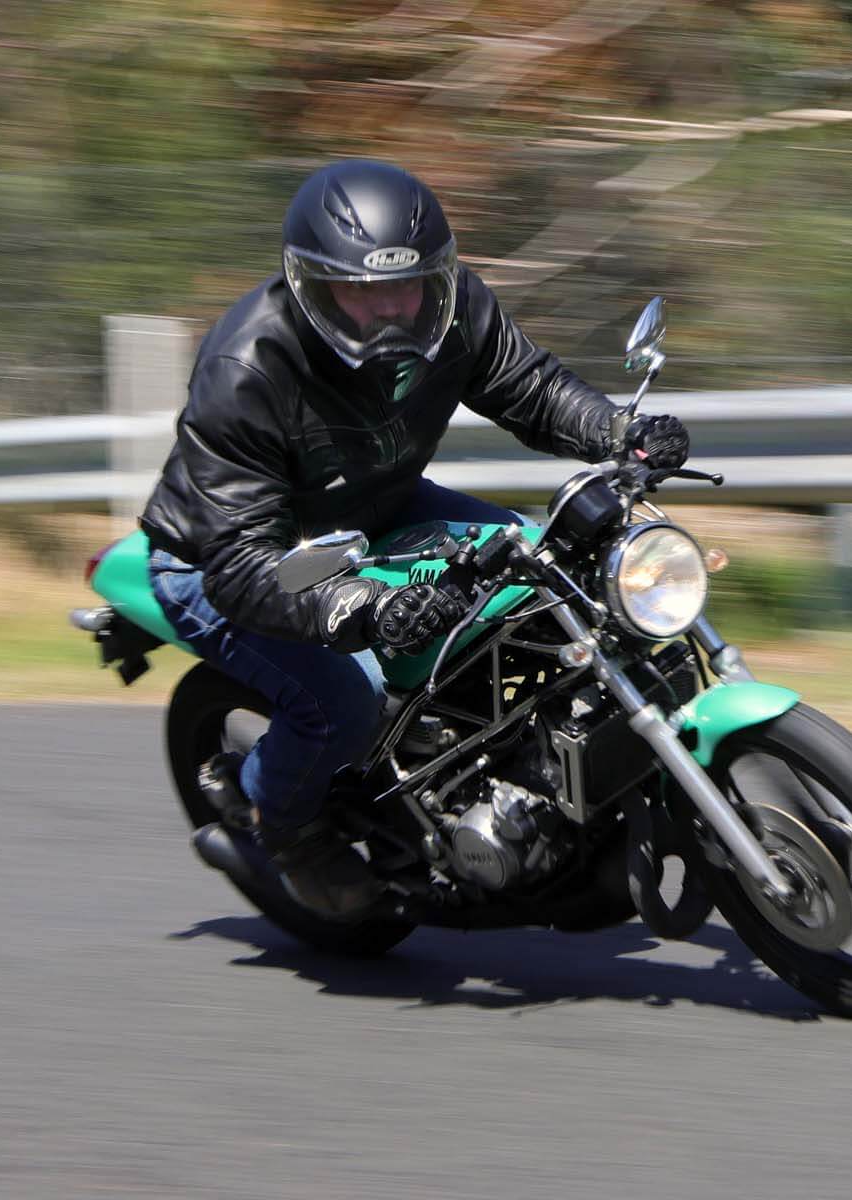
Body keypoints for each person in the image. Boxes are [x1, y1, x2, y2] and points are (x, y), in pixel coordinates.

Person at [138, 159, 690, 918]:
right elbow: (241, 563)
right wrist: (361, 606)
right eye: (362, 293)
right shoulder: (247, 366)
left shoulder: (454, 307)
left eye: (411, 286)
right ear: (311, 286)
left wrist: (619, 432)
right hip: (228, 557)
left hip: (375, 508)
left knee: (551, 568)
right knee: (347, 696)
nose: (395, 308)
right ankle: (281, 821)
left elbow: (530, 387)